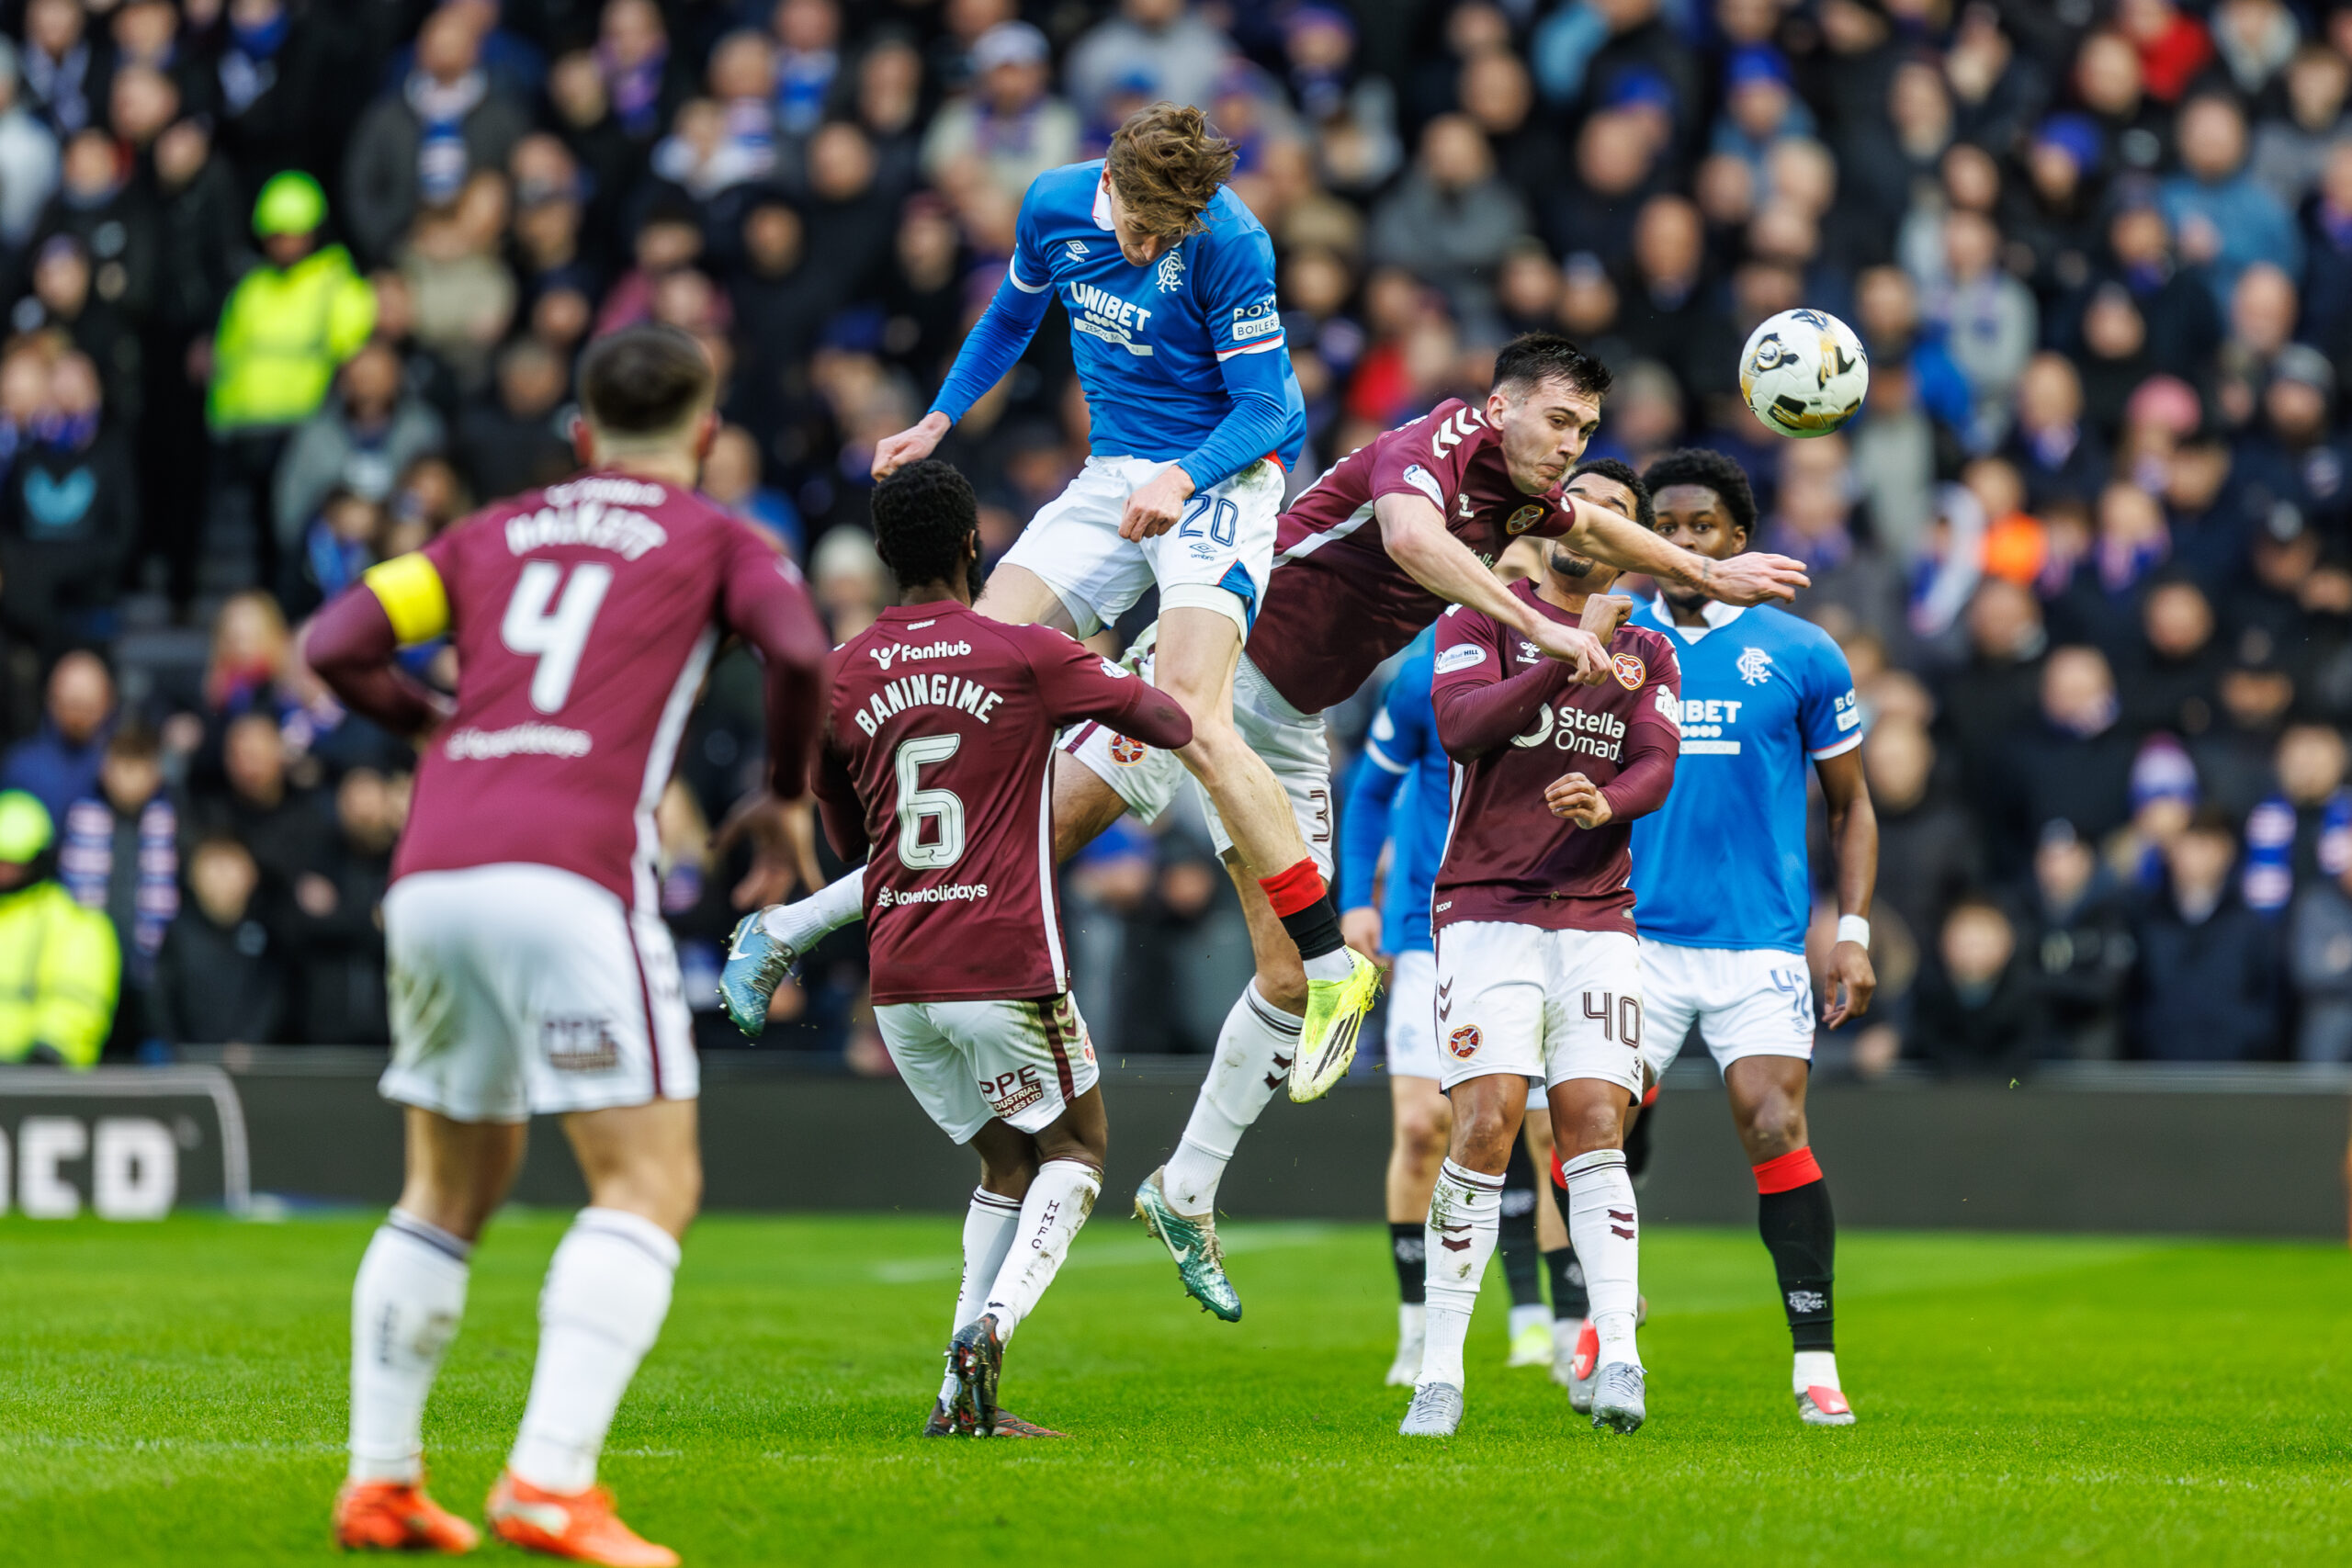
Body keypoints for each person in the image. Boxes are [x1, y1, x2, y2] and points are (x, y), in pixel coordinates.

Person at [732, 335, 1805, 1320]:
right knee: (1016, 844)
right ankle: (784, 930)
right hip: (1212, 664)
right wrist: (1538, 625)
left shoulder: (1523, 494)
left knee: (1296, 978)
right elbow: (1408, 537)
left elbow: (1598, 524)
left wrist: (1709, 575)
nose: (1568, 448)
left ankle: (1184, 1189)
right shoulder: (1433, 443)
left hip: (1287, 724)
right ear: (1499, 406)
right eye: (1558, 423)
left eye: (1582, 432)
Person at [302, 323, 828, 1563]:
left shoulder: (486, 535)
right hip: (572, 872)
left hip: (432, 869)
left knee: (446, 1185)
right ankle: (548, 1478)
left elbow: (333, 642)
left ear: (580, 435)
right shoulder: (720, 537)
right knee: (648, 1184)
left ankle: (380, 1479)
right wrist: (788, 788)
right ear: (703, 437)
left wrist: (436, 723)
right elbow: (799, 647)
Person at [860, 102, 1388, 1110]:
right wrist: (936, 420)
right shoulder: (1053, 203)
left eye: (1168, 233)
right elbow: (1015, 313)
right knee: (969, 660)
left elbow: (1275, 409)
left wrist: (1186, 479)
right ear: (1107, 183)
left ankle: (1329, 965)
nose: (1151, 247)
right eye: (1142, 226)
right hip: (1115, 477)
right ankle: (976, 939)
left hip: (1223, 479)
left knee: (1189, 714)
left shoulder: (1231, 238)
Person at [808, 458, 1193, 1437]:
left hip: (897, 979)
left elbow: (841, 835)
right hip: (1002, 958)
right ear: (976, 544)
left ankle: (955, 1404)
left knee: (1006, 1168)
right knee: (1078, 1149)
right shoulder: (1022, 650)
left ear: (887, 556)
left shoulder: (842, 672)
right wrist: (1134, 663)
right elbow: (1166, 722)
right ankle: (991, 1325)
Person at [1399, 461, 1680, 1438]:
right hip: (1485, 909)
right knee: (1484, 1125)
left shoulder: (1649, 647)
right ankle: (1441, 1372)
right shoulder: (1480, 617)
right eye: (1586, 501)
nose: (1597, 519)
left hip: (1596, 914)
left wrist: (1608, 799)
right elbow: (1463, 726)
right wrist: (1567, 655)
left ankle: (1621, 1358)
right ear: (1554, 518)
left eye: (1619, 513)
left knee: (1594, 1121)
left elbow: (1656, 761)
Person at [1619, 447, 1876, 1428]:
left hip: (1757, 941)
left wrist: (1847, 931)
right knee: (1599, 1124)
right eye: (1665, 526)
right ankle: (1607, 1314)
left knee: (1772, 1123)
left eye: (1700, 527)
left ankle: (1813, 1361)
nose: (1681, 542)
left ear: (1739, 538)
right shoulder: (1609, 638)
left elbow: (1852, 807)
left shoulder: (1801, 651)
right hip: (1630, 936)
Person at [0, 788, 120, 1066]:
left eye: (12, 863)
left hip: (38, 1082)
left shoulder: (73, 921)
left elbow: (78, 1001)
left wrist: (48, 1054)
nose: (3, 873)